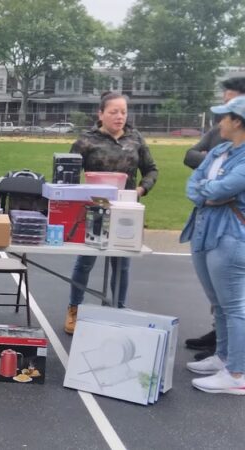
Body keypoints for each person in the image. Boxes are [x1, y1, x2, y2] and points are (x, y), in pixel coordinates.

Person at [63, 92, 159, 334]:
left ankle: (119, 309)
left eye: (123, 112)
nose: (119, 117)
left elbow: (151, 170)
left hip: (126, 211)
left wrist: (140, 189)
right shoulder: (86, 141)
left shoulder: (135, 139)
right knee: (85, 262)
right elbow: (69, 174)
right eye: (114, 112)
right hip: (94, 210)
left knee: (122, 264)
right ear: (100, 114)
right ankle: (74, 308)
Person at [181, 95, 245, 395]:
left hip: (230, 235)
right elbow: (195, 186)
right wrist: (210, 193)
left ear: (238, 122)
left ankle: (236, 373)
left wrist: (211, 190)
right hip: (205, 230)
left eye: (224, 117)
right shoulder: (220, 150)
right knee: (218, 302)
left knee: (234, 306)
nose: (219, 122)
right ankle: (222, 357)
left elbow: (225, 187)